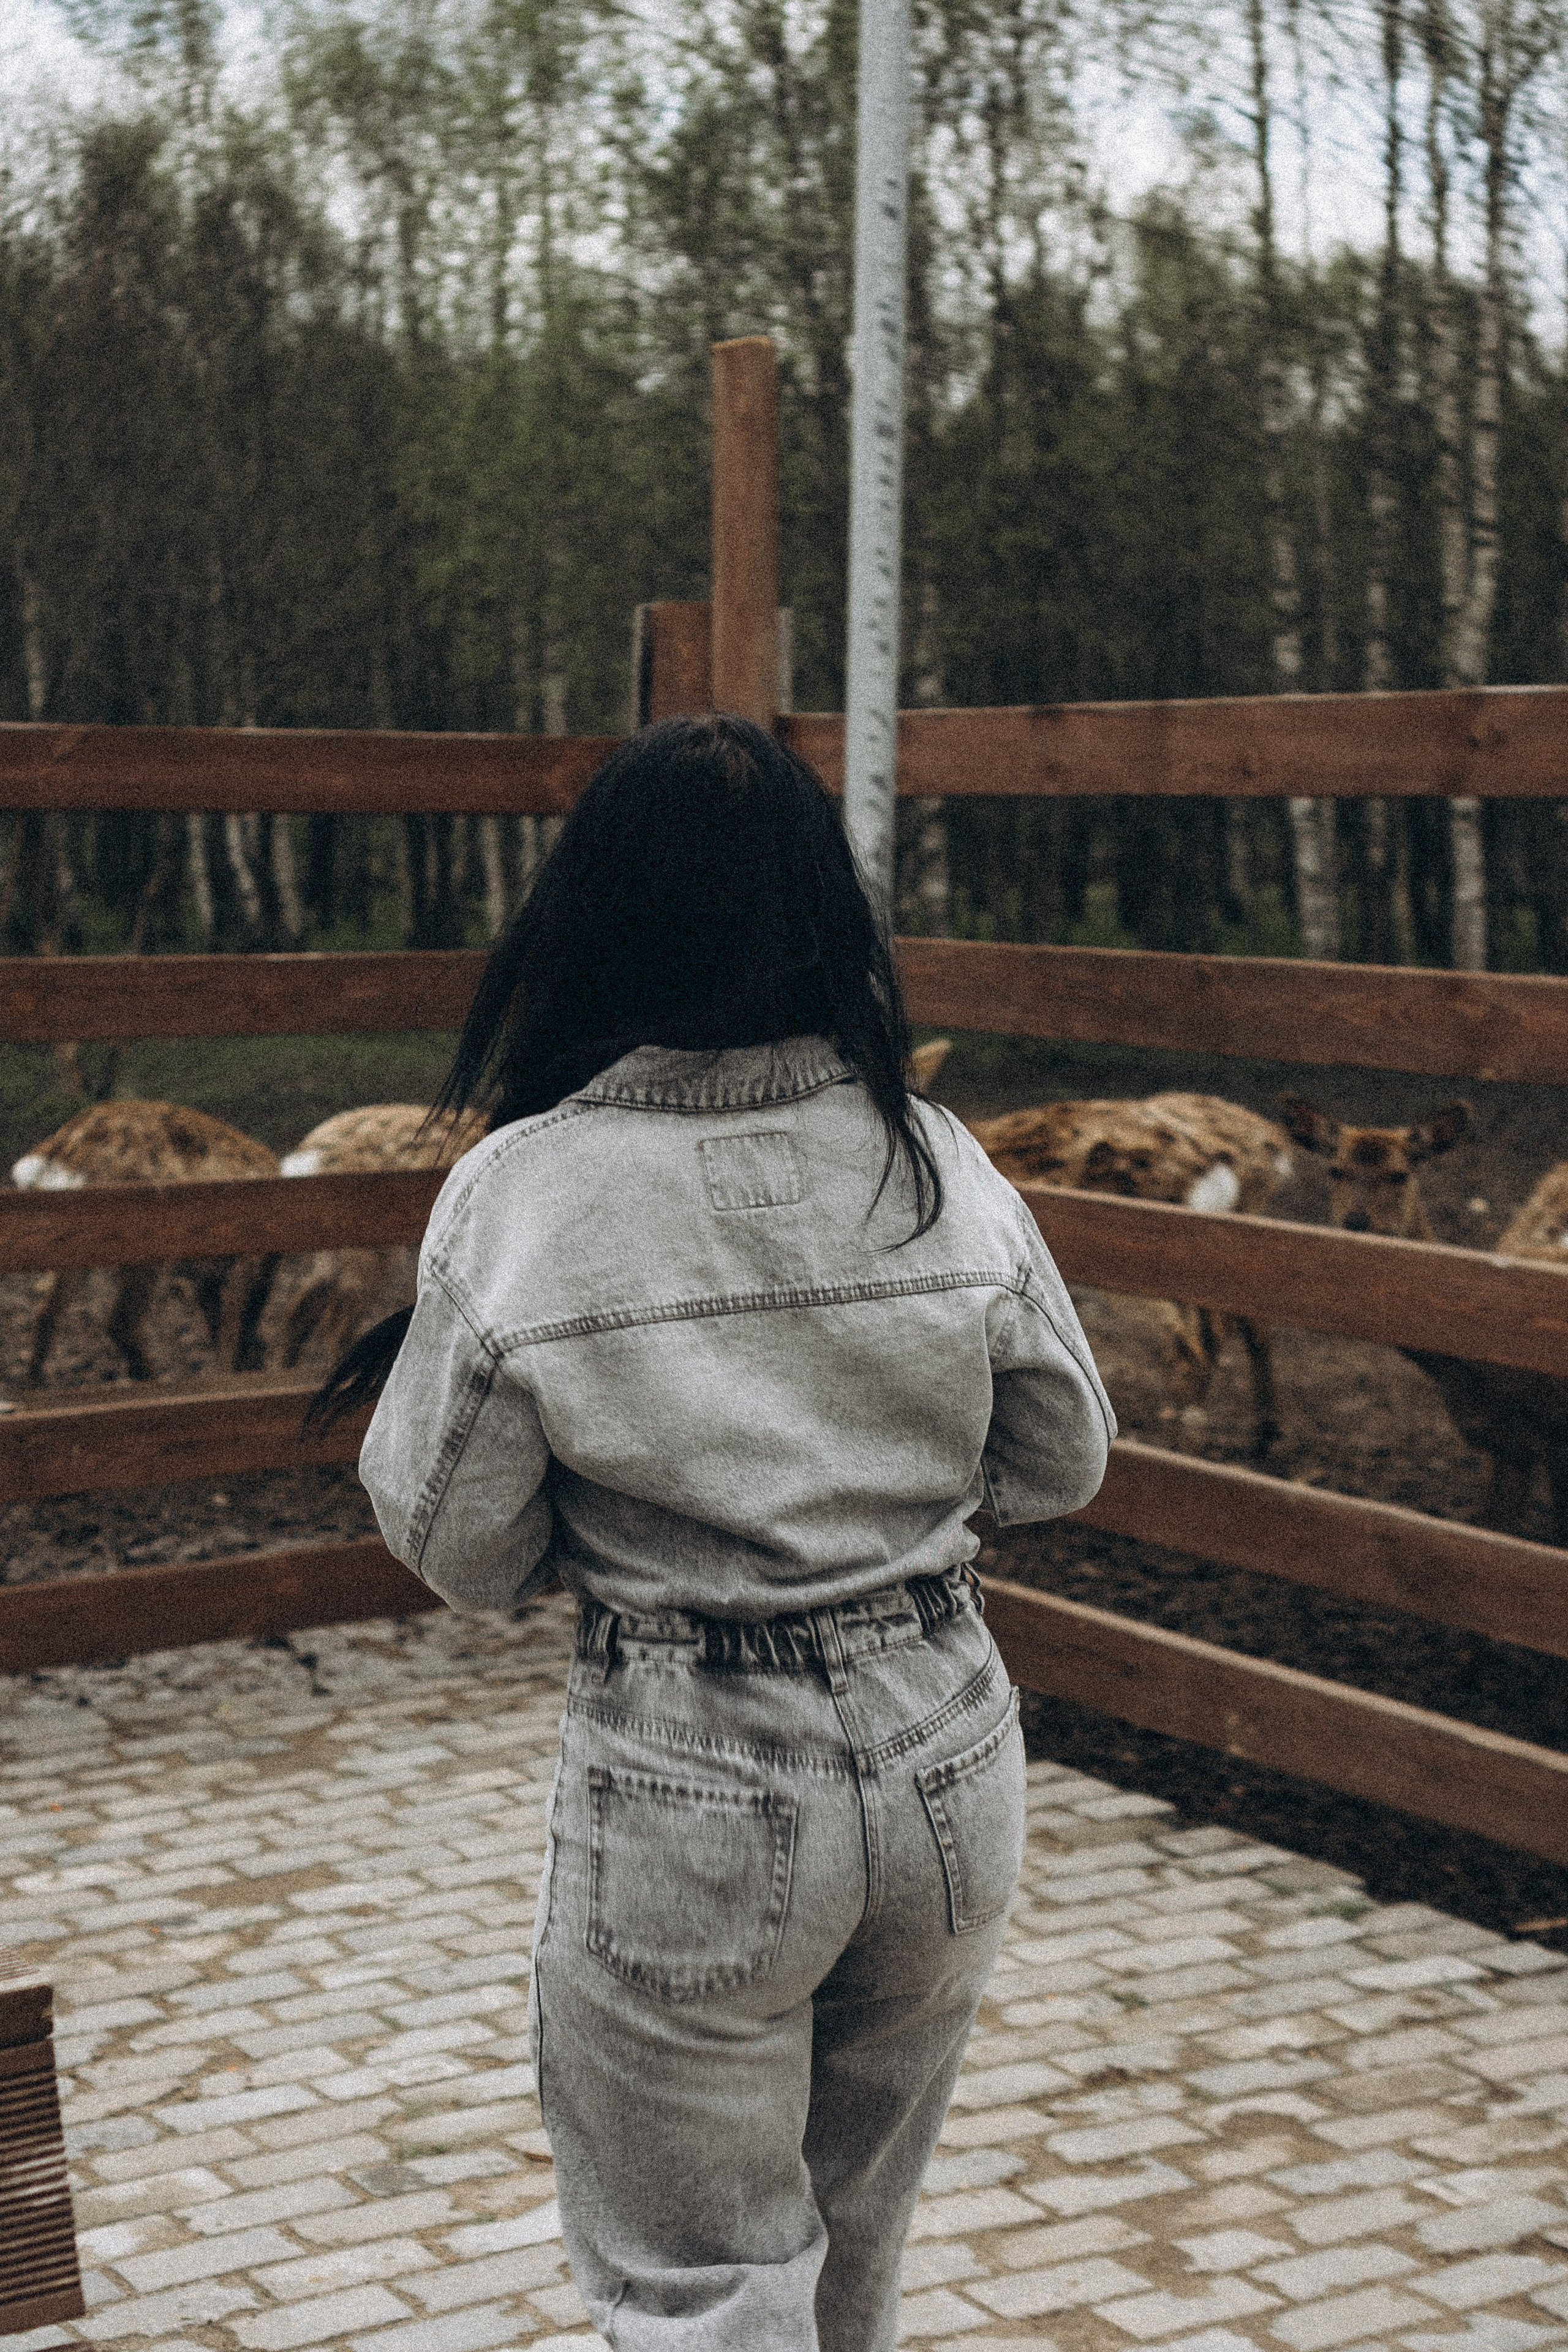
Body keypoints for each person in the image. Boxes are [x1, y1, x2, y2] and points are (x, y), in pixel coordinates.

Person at [316, 713, 1114, 2352]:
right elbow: (1063, 1457)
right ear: (828, 913)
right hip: (951, 1747)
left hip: (694, 1768)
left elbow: (456, 1546)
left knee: (698, 2285)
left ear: (586, 920)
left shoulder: (527, 1192)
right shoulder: (935, 1162)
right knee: (850, 2255)